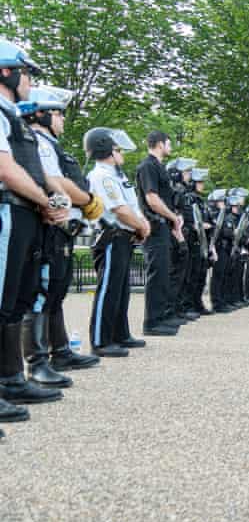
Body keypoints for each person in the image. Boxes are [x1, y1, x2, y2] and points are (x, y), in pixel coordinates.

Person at [0, 39, 70, 422]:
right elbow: (6, 170)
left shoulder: (11, 116)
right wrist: (47, 201)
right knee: (1, 298)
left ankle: (11, 378)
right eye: (25, 72)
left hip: (26, 213)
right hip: (9, 210)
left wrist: (46, 203)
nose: (29, 81)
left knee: (16, 298)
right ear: (6, 71)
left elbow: (29, 171)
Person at [19, 86, 105, 386]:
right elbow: (54, 181)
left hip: (63, 227)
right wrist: (86, 199)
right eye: (58, 113)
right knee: (42, 292)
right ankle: (37, 361)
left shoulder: (48, 143)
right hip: (50, 225)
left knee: (55, 291)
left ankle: (61, 350)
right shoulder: (39, 141)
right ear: (40, 114)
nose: (63, 120)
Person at [86, 127, 153, 354]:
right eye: (118, 149)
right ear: (107, 150)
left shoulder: (117, 175)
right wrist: (141, 226)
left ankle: (120, 334)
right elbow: (120, 210)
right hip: (111, 236)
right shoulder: (101, 176)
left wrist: (141, 224)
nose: (121, 153)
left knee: (122, 289)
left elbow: (132, 206)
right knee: (109, 289)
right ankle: (101, 341)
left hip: (125, 237)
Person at [136, 131, 185, 335]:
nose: (170, 147)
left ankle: (162, 317)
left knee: (164, 273)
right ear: (159, 144)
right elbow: (152, 199)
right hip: (155, 227)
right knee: (157, 274)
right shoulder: (148, 166)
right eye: (168, 143)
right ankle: (152, 323)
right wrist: (173, 218)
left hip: (163, 226)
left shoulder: (159, 167)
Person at [166, 158, 197, 321]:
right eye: (186, 172)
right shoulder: (175, 189)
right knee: (175, 274)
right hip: (177, 234)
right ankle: (172, 310)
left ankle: (178, 309)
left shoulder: (182, 190)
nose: (189, 175)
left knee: (182, 275)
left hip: (184, 234)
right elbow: (176, 215)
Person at [186, 167, 213, 315]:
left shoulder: (201, 201)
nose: (202, 185)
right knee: (192, 275)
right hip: (193, 241)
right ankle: (189, 305)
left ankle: (198, 304)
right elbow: (190, 221)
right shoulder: (190, 198)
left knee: (201, 276)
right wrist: (201, 225)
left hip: (202, 242)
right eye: (200, 182)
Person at [207, 189, 233, 313]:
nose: (224, 203)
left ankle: (222, 300)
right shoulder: (213, 214)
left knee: (223, 275)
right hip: (217, 247)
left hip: (225, 247)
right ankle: (216, 303)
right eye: (222, 201)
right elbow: (215, 231)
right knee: (217, 276)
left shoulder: (224, 215)